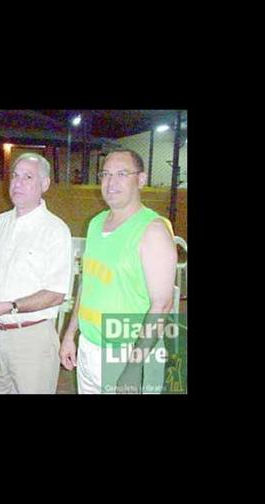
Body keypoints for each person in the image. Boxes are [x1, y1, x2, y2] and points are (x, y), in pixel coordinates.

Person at [59, 149, 177, 394]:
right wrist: (71, 334)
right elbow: (87, 284)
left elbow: (162, 305)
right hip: (89, 347)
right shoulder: (95, 223)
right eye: (105, 174)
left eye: (122, 174)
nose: (111, 183)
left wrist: (134, 367)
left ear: (141, 180)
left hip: (128, 351)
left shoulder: (153, 230)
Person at [0, 153, 72, 394]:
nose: (18, 182)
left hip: (32, 340)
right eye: (14, 176)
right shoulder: (0, 222)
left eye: (28, 177)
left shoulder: (55, 230)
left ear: (44, 185)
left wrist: (8, 307)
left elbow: (55, 293)